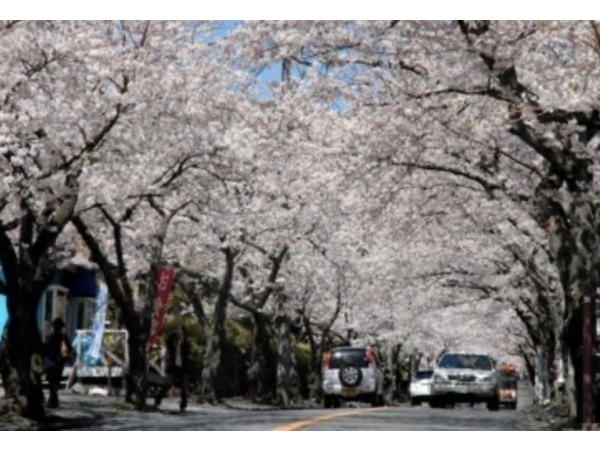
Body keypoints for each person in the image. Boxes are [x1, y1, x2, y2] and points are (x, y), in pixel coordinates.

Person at [154, 327, 190, 412]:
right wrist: (175, 333)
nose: (180, 337)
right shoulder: (171, 345)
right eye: (179, 336)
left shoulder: (185, 345)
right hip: (173, 368)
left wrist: (182, 340)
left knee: (184, 387)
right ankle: (158, 400)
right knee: (167, 385)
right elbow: (168, 339)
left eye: (181, 335)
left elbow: (187, 352)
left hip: (182, 368)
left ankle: (183, 405)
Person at [43, 317, 73, 408]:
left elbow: (46, 349)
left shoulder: (50, 336)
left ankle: (53, 400)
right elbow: (70, 348)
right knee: (55, 381)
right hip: (60, 361)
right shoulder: (64, 336)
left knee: (51, 381)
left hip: (51, 361)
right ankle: (53, 400)